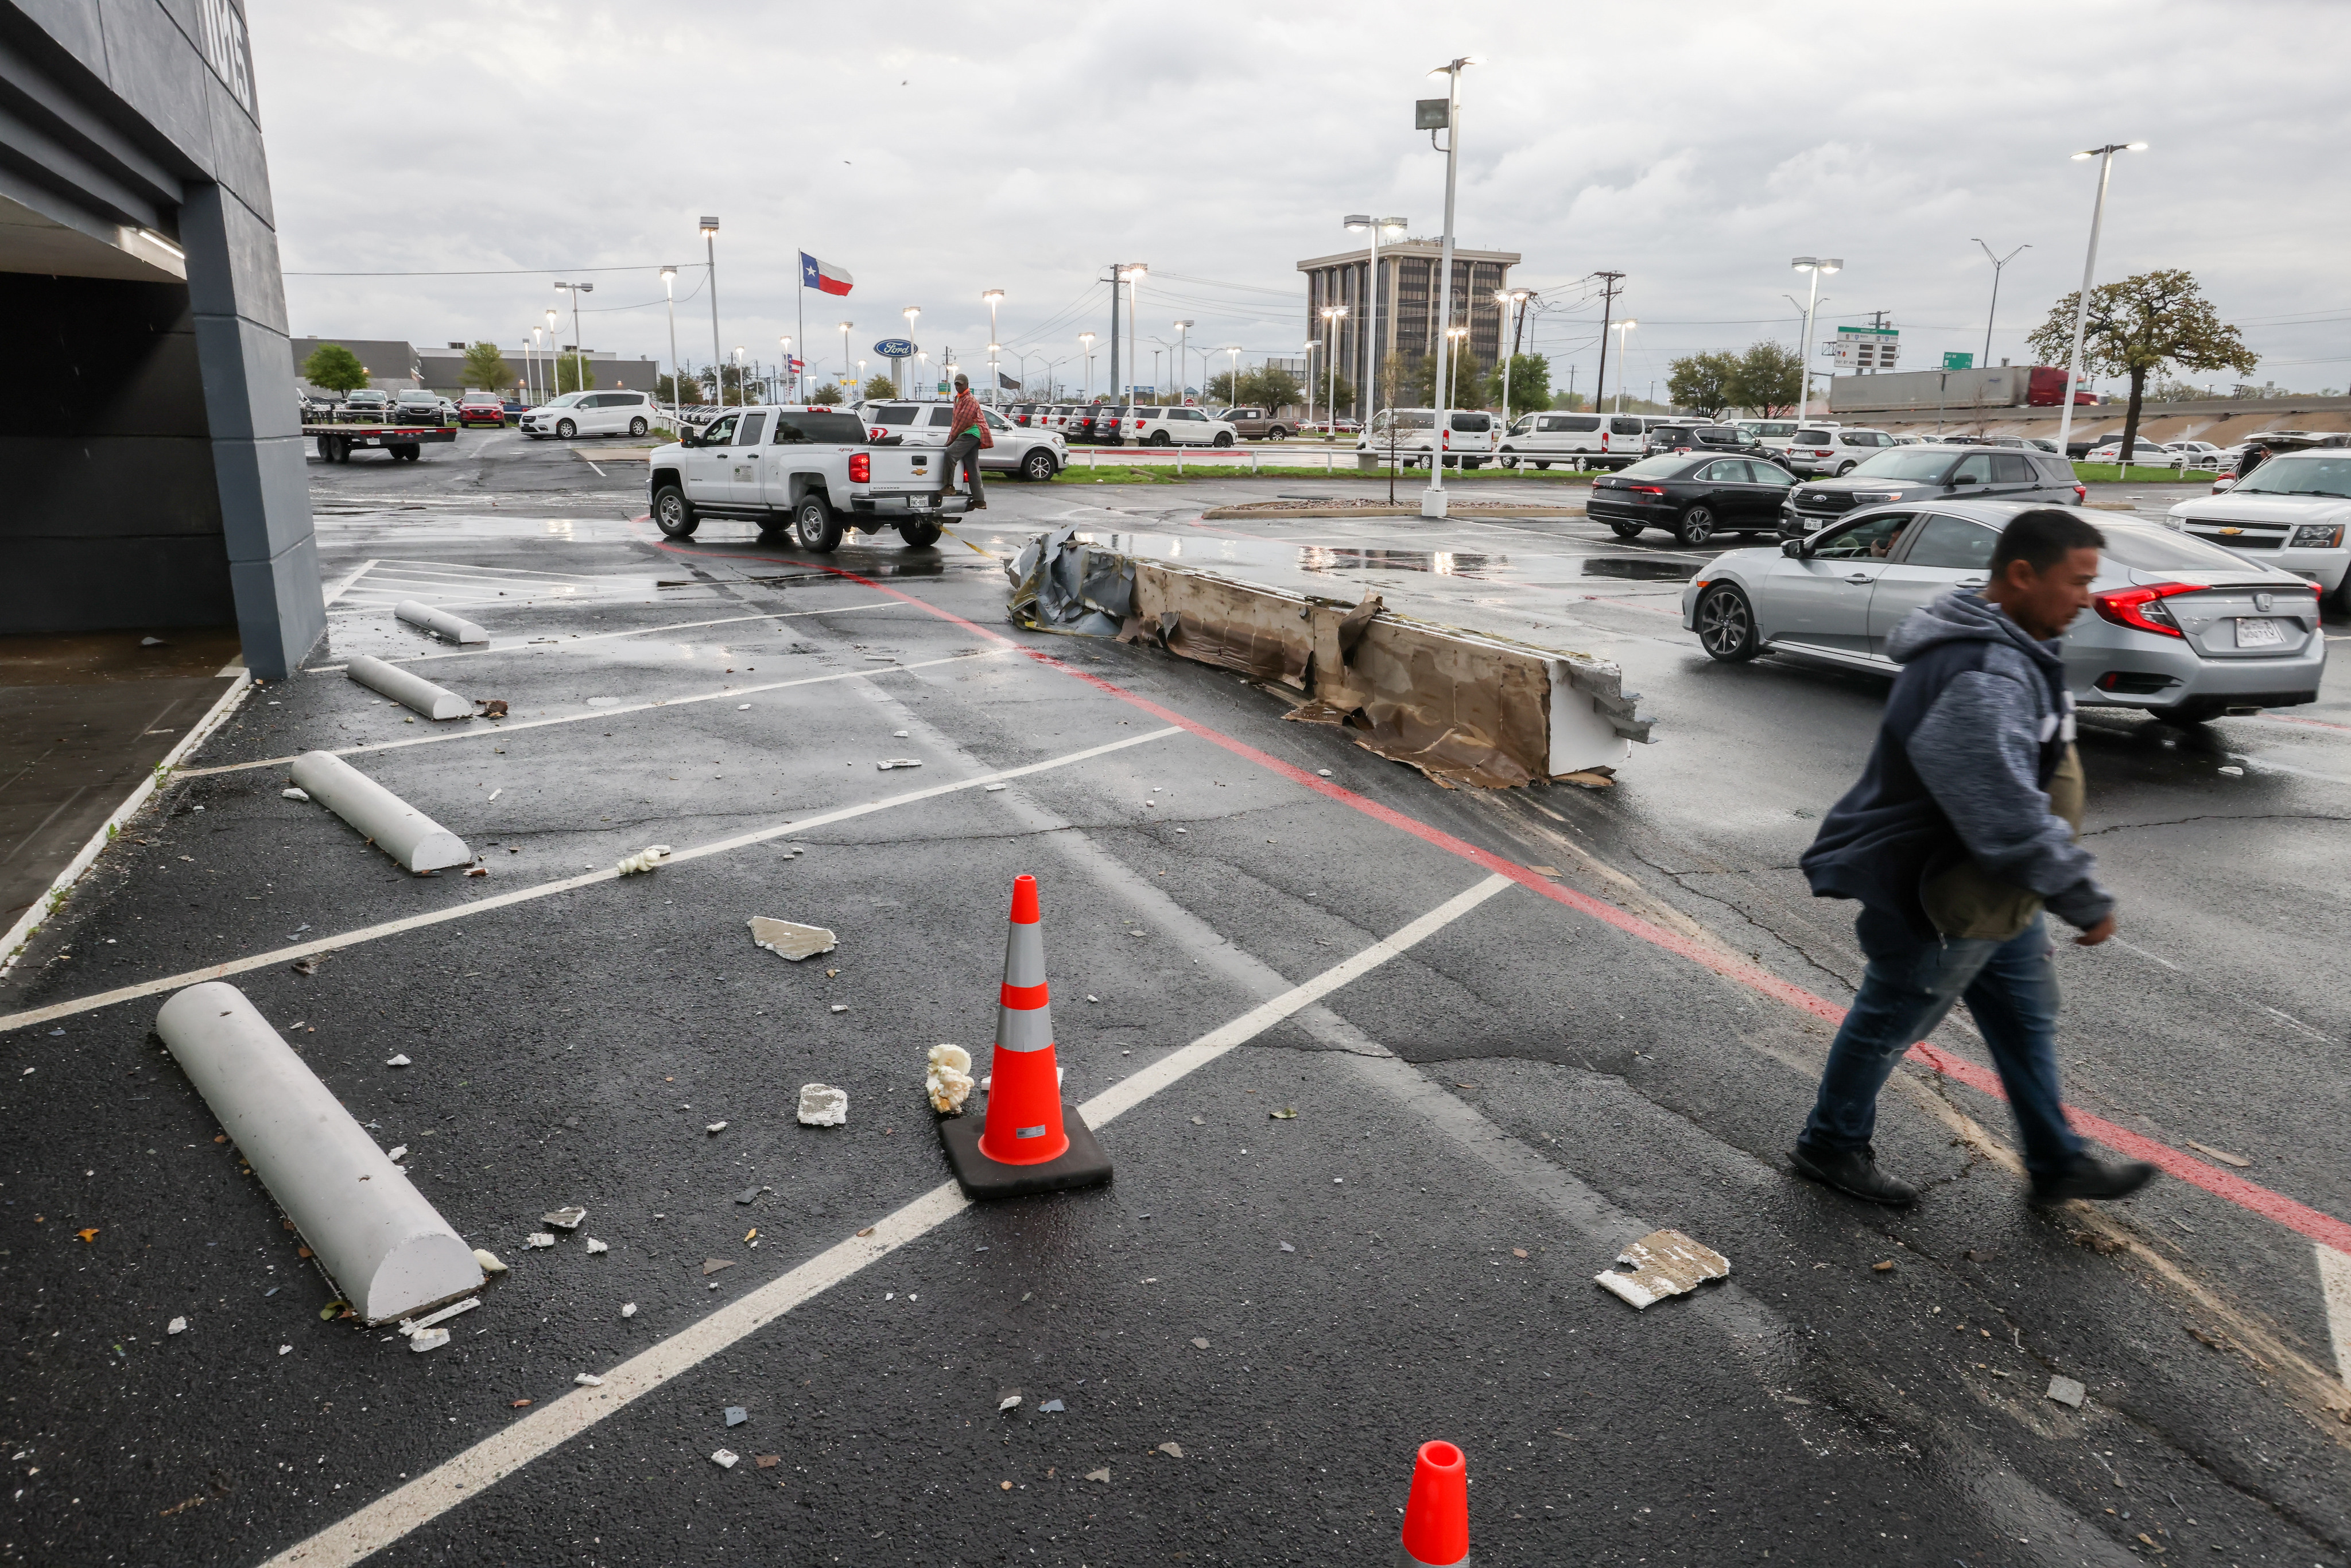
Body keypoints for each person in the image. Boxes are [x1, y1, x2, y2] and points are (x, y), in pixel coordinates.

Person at [1791, 507, 2157, 1208]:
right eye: (2077, 582)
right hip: (1947, 893)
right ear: (2021, 574)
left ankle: (2055, 1161)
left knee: (2025, 1019)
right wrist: (2079, 894)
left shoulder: (2009, 643)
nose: (2087, 598)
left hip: (1999, 894)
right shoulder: (1978, 671)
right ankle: (1830, 1143)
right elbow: (2004, 812)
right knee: (1889, 1019)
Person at [942, 373, 988, 510]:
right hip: (968, 433)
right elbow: (956, 421)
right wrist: (953, 436)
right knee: (972, 467)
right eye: (956, 384)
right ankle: (979, 500)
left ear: (967, 385)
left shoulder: (969, 400)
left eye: (961, 384)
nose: (958, 386)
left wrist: (951, 439)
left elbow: (963, 421)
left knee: (950, 454)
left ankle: (949, 487)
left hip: (972, 433)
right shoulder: (958, 399)